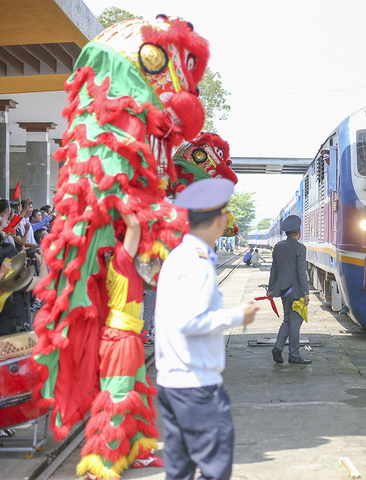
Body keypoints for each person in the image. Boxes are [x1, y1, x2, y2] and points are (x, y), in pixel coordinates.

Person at [154, 178, 258, 480]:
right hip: (196, 386)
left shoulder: (178, 257)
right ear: (218, 219)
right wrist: (239, 316)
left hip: (173, 381)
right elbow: (191, 321)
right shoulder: (197, 263)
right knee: (214, 468)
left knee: (180, 469)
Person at [76, 212, 164, 480]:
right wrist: (124, 194)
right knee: (117, 399)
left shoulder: (133, 264)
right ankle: (102, 461)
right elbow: (135, 224)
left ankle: (138, 451)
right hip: (119, 342)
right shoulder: (123, 260)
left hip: (131, 339)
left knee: (139, 395)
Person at [267, 214, 311, 365]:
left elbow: (274, 269)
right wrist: (306, 292)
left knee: (287, 319)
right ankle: (294, 355)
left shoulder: (278, 246)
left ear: (286, 233)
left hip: (283, 291)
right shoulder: (300, 248)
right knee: (295, 323)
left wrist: (270, 288)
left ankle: (278, 348)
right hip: (296, 291)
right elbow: (301, 272)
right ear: (299, 233)